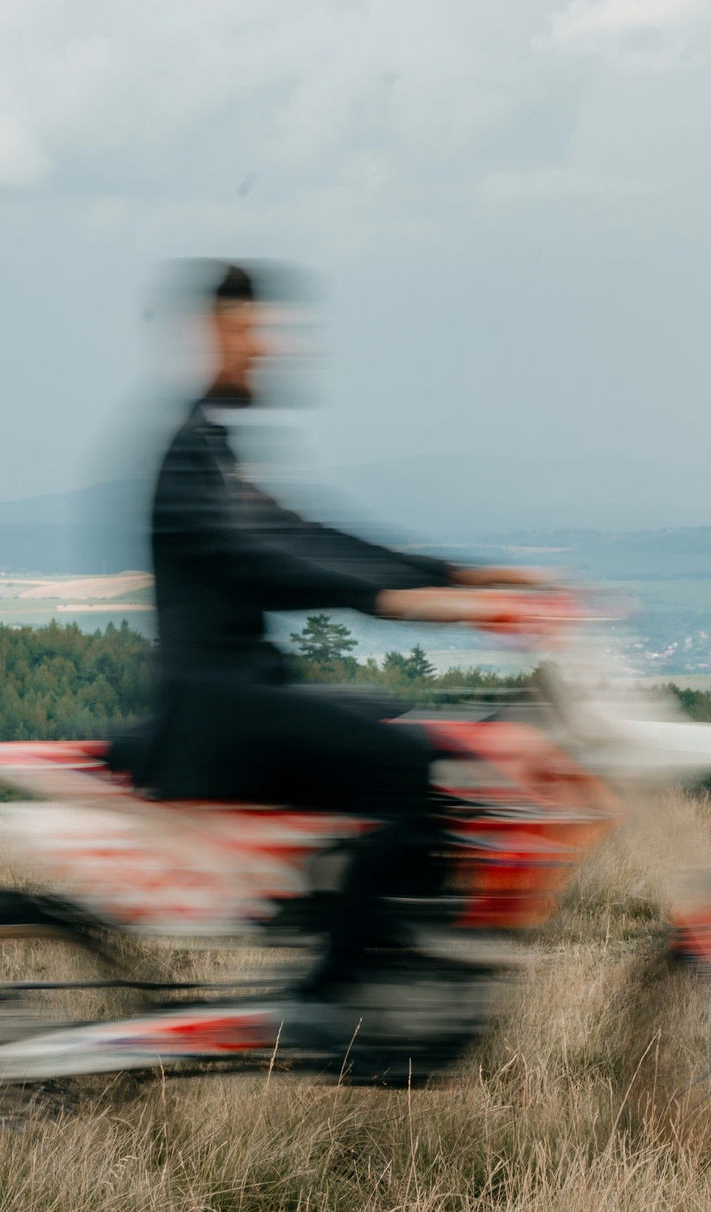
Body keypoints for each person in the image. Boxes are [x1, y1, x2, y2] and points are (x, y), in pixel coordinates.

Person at [123, 262, 543, 1004]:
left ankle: (381, 931)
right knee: (405, 764)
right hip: (219, 712)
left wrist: (459, 576)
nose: (265, 349)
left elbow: (313, 537)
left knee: (399, 723)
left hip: (245, 693)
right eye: (249, 331)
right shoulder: (189, 457)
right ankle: (333, 991)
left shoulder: (215, 451)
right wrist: (399, 599)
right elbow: (262, 560)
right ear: (213, 333)